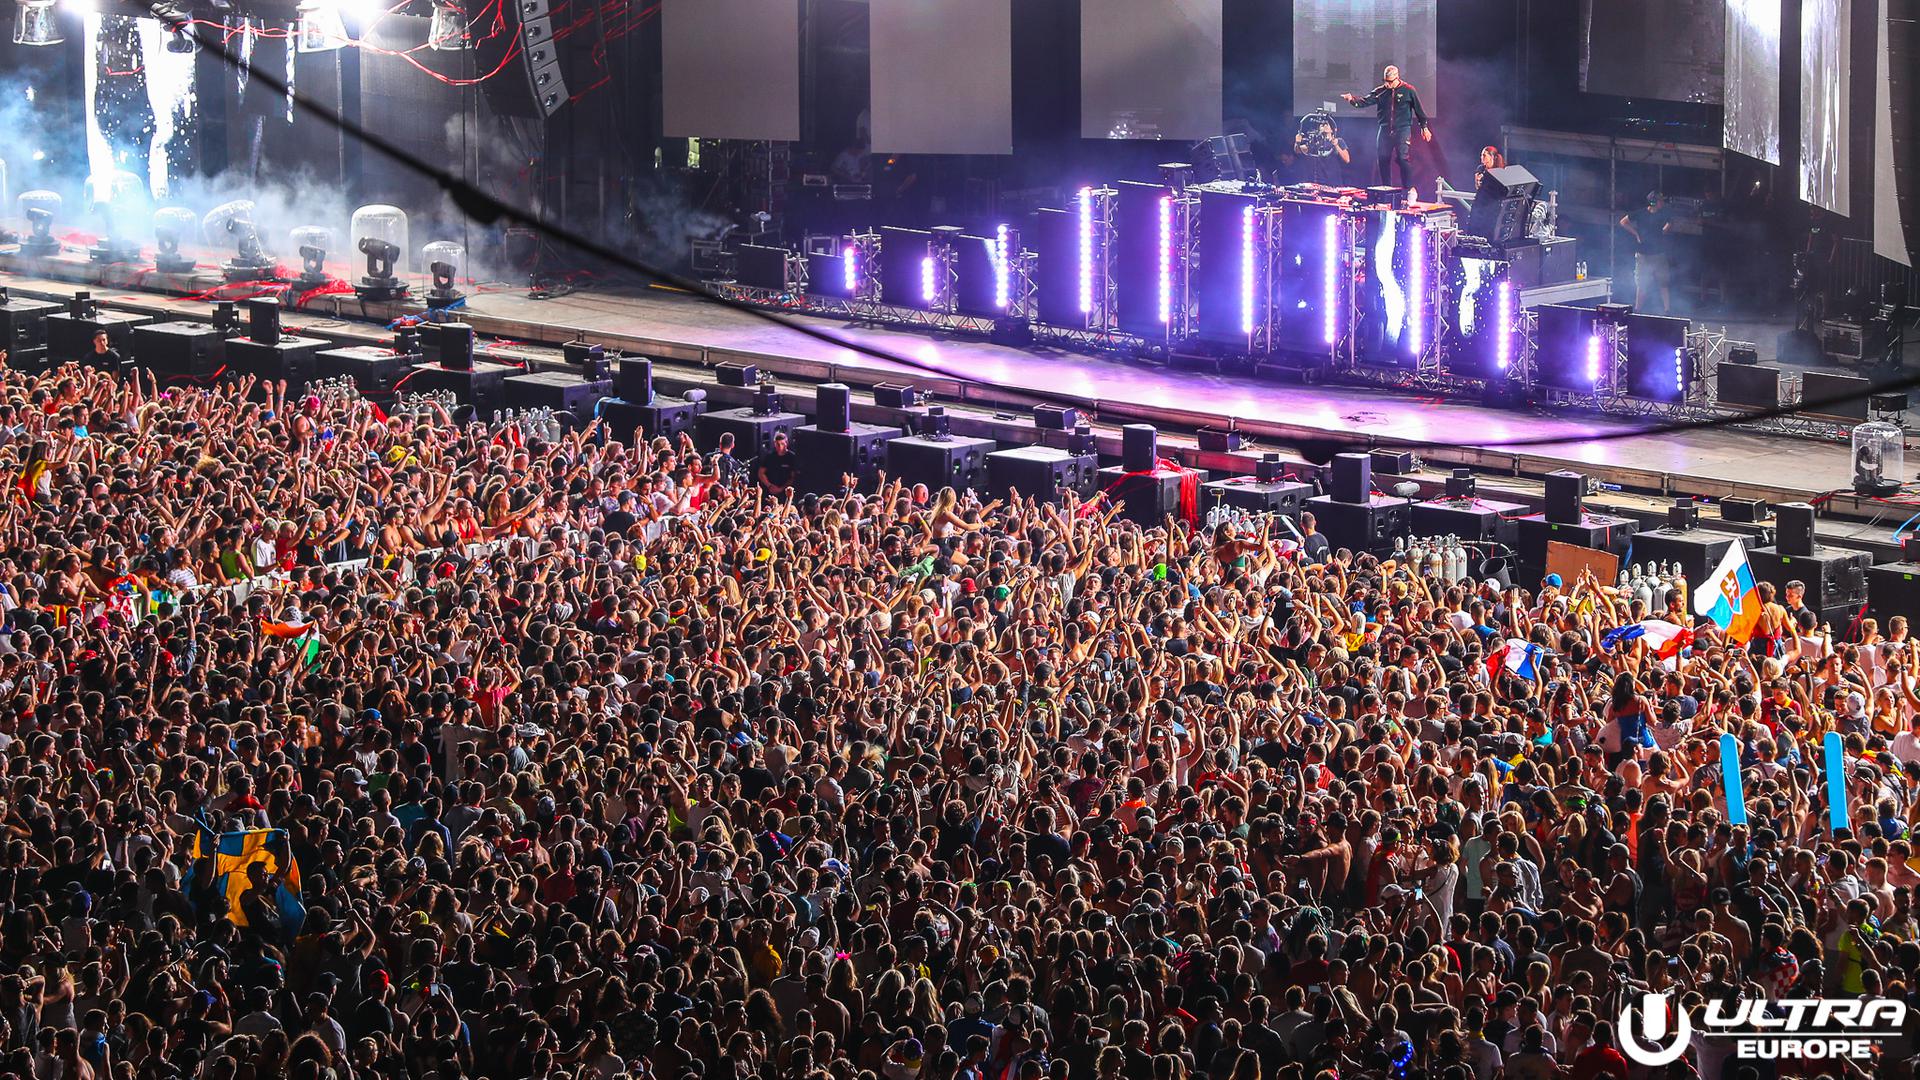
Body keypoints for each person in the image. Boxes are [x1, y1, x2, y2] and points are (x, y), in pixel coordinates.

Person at [1342, 64, 1431, 188]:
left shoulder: (1408, 90)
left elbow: (1419, 110)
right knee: (1383, 159)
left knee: (1402, 158)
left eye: (1390, 81)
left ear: (1397, 77)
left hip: (1402, 129)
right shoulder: (1380, 91)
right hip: (1385, 129)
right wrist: (1351, 99)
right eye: (1385, 81)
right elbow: (1365, 101)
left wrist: (1424, 127)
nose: (1387, 84)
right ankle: (1386, 188)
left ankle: (1408, 188)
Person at [1618, 190, 1674, 314]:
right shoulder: (1641, 213)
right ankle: (1638, 310)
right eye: (1660, 200)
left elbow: (1670, 222)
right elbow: (1623, 222)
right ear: (1654, 202)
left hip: (1659, 254)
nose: (1662, 203)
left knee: (1663, 283)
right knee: (1642, 284)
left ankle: (1667, 310)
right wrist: (1636, 234)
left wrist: (1663, 231)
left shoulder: (1663, 213)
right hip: (1643, 255)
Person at [1293, 112, 1351, 185]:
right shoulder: (1315, 142)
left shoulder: (1339, 141)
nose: (1324, 126)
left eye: (1326, 124)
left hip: (1334, 180)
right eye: (1322, 125)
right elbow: (1298, 150)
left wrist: (1336, 145)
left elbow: (1347, 159)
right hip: (1319, 181)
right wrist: (1297, 142)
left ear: (1332, 130)